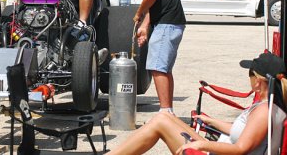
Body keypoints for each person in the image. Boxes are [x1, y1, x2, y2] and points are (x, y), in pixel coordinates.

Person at [108, 52, 287, 155]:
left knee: (161, 123)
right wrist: (212, 122)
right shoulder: (268, 106)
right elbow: (243, 132)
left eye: (250, 73)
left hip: (218, 153)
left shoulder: (264, 111)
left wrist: (201, 145)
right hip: (219, 150)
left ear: (258, 81)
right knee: (164, 115)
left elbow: (241, 148)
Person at [122, 0, 186, 114]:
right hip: (167, 22)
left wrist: (138, 13)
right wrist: (145, 25)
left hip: (168, 22)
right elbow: (156, 0)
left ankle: (165, 112)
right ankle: (167, 110)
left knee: (157, 67)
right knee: (162, 69)